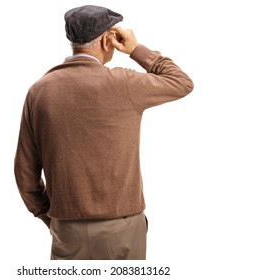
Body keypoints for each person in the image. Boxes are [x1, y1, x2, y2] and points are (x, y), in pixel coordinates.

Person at [14, 5, 193, 260]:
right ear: (108, 39)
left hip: (66, 228)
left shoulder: (39, 91)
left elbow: (25, 171)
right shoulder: (125, 83)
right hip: (122, 229)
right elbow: (182, 82)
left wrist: (51, 216)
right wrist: (135, 49)